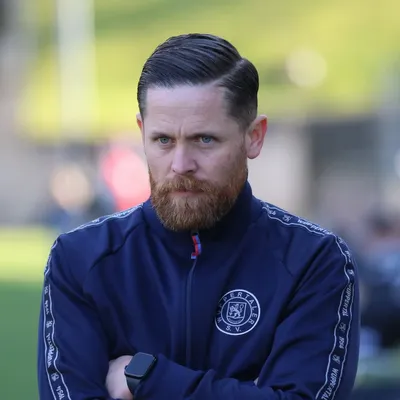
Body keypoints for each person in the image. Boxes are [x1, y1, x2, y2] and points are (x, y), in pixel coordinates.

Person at [37, 33, 360, 400]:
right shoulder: (80, 260)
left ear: (254, 137)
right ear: (142, 133)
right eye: (163, 140)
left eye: (204, 139)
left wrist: (147, 378)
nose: (181, 164)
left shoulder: (314, 261)